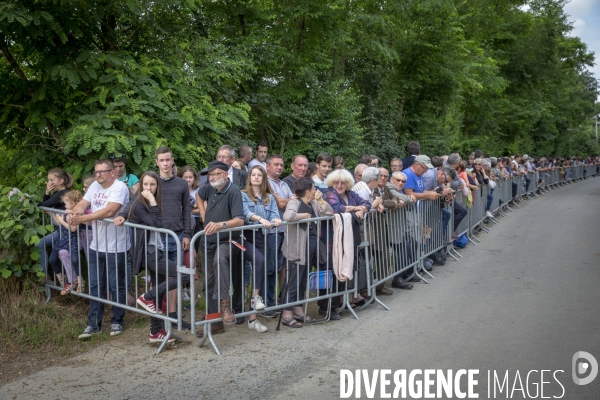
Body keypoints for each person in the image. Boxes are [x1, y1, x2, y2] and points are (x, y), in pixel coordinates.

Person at [114, 171, 190, 343]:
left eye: (152, 185)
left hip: (157, 250)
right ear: (141, 185)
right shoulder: (141, 204)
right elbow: (158, 224)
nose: (148, 188)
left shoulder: (149, 202)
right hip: (149, 253)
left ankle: (156, 332)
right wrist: (153, 202)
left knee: (159, 292)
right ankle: (146, 297)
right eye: (146, 184)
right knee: (184, 274)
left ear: (157, 186)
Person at [67, 159, 130, 339]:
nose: (99, 174)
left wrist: (82, 220)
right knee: (95, 285)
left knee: (115, 285)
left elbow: (110, 211)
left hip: (116, 246)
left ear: (112, 172)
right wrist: (75, 213)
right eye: (96, 171)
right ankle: (94, 324)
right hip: (96, 244)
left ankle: (117, 320)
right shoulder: (95, 185)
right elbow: (83, 204)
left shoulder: (120, 188)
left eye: (102, 171)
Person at [196, 161, 245, 335]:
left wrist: (221, 225)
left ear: (225, 174)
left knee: (220, 260)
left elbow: (240, 220)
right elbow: (198, 196)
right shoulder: (209, 188)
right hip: (208, 241)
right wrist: (203, 213)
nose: (211, 177)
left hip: (226, 240)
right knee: (208, 282)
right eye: (210, 174)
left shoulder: (233, 191)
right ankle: (214, 322)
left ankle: (225, 304)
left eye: (215, 174)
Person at [281, 178, 334, 327]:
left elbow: (329, 212)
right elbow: (288, 216)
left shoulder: (313, 203)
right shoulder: (295, 202)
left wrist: (321, 200)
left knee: (303, 280)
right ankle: (286, 313)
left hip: (309, 249)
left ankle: (298, 310)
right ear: (307, 191)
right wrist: (305, 216)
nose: (315, 190)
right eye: (313, 188)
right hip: (296, 249)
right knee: (292, 281)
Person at [323, 169, 371, 318]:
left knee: (346, 268)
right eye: (336, 182)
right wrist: (357, 208)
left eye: (342, 182)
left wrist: (362, 208)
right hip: (333, 240)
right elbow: (336, 208)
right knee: (334, 270)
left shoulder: (351, 194)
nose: (339, 185)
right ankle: (327, 307)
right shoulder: (330, 193)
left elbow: (367, 203)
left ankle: (340, 303)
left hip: (350, 239)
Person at [241, 165, 282, 333]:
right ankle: (253, 299)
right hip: (246, 236)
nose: (256, 177)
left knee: (264, 266)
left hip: (263, 237)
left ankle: (253, 317)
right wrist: (259, 219)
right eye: (254, 174)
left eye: (259, 175)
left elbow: (275, 215)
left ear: (263, 178)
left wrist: (275, 221)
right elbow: (244, 213)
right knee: (258, 262)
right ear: (249, 177)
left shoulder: (269, 197)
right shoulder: (242, 194)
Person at [154, 147, 192, 327]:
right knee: (157, 278)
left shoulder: (182, 184)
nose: (166, 163)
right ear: (157, 162)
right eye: (162, 160)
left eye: (168, 160)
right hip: (156, 237)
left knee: (175, 278)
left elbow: (187, 211)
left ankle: (173, 315)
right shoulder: (151, 183)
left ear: (172, 160)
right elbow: (136, 203)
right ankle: (157, 318)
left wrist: (187, 234)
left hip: (177, 236)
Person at [265, 154, 295, 315]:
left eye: (281, 165)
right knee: (270, 267)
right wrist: (289, 200)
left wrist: (288, 200)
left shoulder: (283, 184)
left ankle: (277, 299)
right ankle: (268, 303)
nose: (279, 167)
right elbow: (281, 203)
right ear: (267, 166)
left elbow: (293, 201)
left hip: (284, 230)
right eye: (276, 164)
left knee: (279, 266)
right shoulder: (265, 183)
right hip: (271, 232)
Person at [36, 168, 74, 276]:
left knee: (40, 244)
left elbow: (42, 205)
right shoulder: (58, 193)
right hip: (60, 229)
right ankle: (55, 278)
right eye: (48, 180)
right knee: (44, 249)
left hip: (65, 230)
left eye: (51, 180)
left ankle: (43, 275)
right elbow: (46, 203)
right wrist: (47, 192)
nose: (49, 183)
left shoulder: (62, 193)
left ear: (61, 181)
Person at [49, 190, 82, 295]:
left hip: (73, 240)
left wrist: (62, 220)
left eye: (66, 203)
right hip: (64, 239)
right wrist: (51, 214)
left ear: (72, 203)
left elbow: (72, 229)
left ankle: (79, 281)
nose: (64, 205)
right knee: (59, 255)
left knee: (74, 259)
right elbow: (60, 223)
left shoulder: (77, 214)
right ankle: (69, 281)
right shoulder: (67, 212)